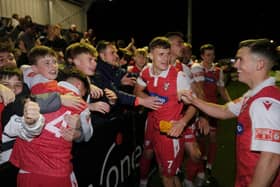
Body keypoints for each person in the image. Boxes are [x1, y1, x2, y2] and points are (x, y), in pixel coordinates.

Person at [181, 38, 280, 187]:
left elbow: (271, 158)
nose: (235, 64)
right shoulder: (253, 95)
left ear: (259, 64)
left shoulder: (263, 103)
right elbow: (224, 110)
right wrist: (194, 100)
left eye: (240, 60)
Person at [8, 45, 92, 187]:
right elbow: (23, 71)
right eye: (47, 63)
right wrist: (59, 99)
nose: (53, 66)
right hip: (42, 169)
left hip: (50, 168)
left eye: (55, 62)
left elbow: (87, 133)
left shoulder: (72, 96)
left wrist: (78, 132)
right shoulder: (29, 85)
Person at [134, 36, 197, 187]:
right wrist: (147, 100)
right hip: (154, 125)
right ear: (150, 55)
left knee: (167, 177)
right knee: (164, 171)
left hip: (171, 133)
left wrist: (182, 122)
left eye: (168, 54)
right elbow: (137, 90)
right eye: (160, 54)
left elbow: (194, 104)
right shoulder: (146, 71)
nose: (165, 58)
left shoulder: (178, 77)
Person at [187, 43, 231, 184]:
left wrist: (233, 105)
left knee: (212, 138)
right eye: (207, 55)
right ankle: (199, 169)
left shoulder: (218, 71)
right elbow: (199, 90)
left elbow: (222, 90)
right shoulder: (196, 68)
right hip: (200, 108)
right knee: (200, 139)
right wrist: (203, 113)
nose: (211, 58)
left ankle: (208, 168)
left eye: (212, 55)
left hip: (213, 108)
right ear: (201, 56)